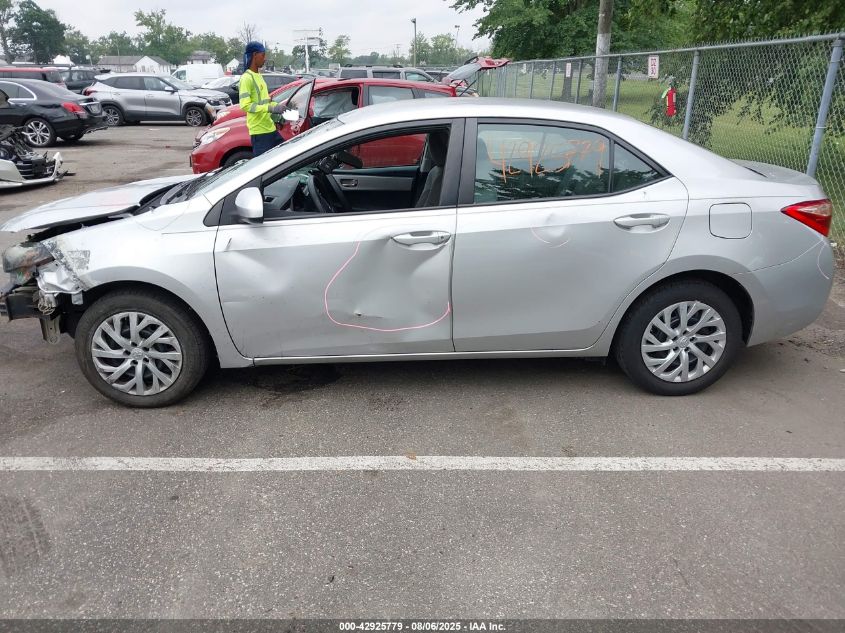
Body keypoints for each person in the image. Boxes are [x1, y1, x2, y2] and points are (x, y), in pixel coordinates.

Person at [239, 41, 285, 156]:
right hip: (259, 132)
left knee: (285, 157)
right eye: (263, 55)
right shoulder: (246, 78)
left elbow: (266, 101)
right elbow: (245, 105)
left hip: (270, 128)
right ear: (255, 55)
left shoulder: (259, 76)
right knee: (266, 166)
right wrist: (270, 108)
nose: (265, 59)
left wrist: (278, 107)